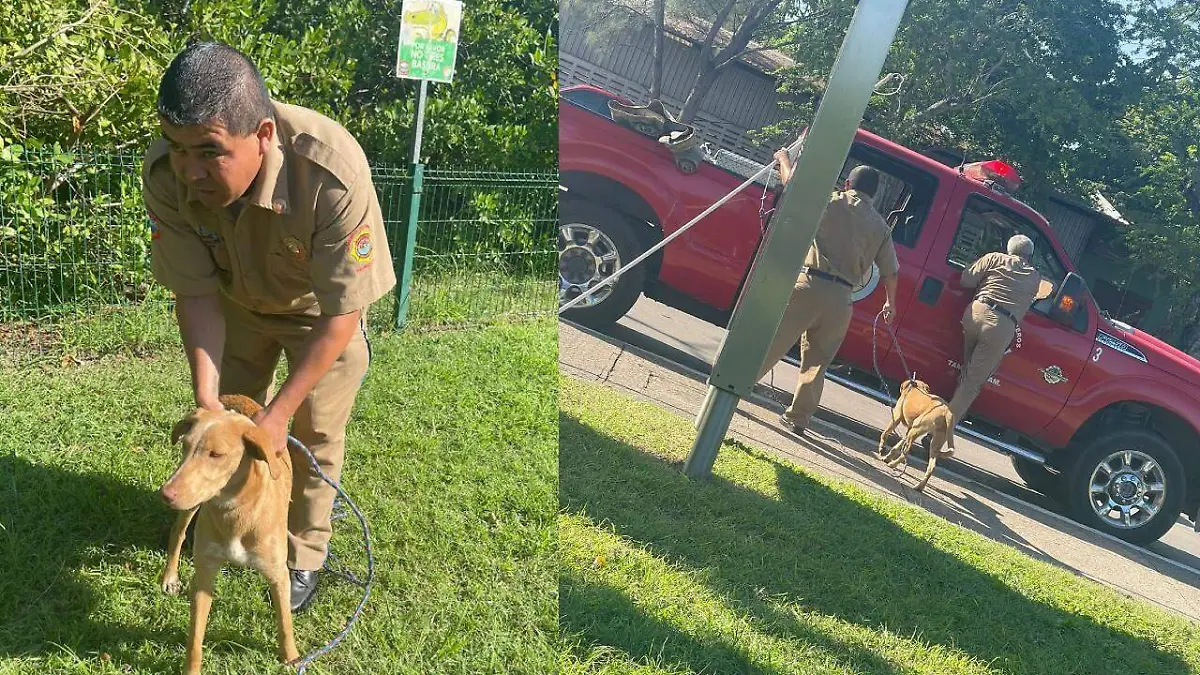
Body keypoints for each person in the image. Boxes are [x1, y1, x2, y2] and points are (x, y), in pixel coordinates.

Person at [143, 41, 396, 613]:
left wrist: (278, 417)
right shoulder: (165, 172)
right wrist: (207, 395)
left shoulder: (329, 168)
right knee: (227, 425)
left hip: (318, 316)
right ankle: (223, 521)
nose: (189, 172)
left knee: (312, 437)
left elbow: (342, 313)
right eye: (179, 150)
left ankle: (304, 554)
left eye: (208, 152)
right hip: (234, 307)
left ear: (261, 135)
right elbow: (196, 289)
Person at [757, 148, 900, 434]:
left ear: (848, 183)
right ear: (875, 195)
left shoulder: (833, 202)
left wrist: (783, 159)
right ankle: (798, 418)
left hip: (810, 284)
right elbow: (891, 271)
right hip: (842, 300)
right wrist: (890, 303)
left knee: (772, 342)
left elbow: (795, 187)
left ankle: (737, 383)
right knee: (818, 362)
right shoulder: (881, 228)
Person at [946, 234, 1041, 422]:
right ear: (1030, 255)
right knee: (972, 381)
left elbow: (966, 280)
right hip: (1001, 326)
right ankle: (939, 432)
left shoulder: (994, 258)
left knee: (968, 370)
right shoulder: (1034, 277)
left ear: (1009, 249)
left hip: (975, 312)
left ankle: (955, 411)